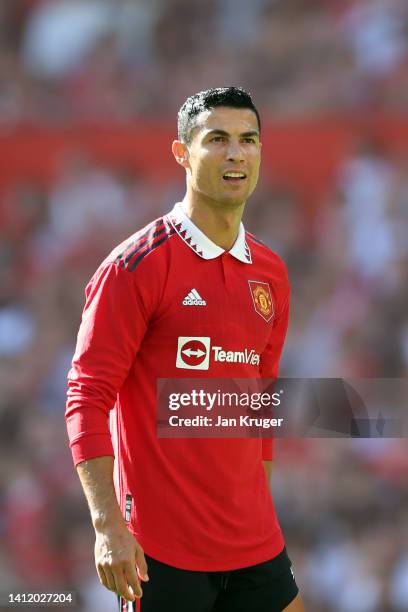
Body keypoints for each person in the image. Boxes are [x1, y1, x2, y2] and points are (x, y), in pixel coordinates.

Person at [66, 86, 305, 612]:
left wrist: (260, 510)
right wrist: (108, 527)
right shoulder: (135, 267)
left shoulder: (272, 273)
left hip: (255, 544)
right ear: (182, 153)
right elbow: (86, 396)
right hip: (161, 551)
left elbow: (258, 403)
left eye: (248, 139)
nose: (236, 153)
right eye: (217, 139)